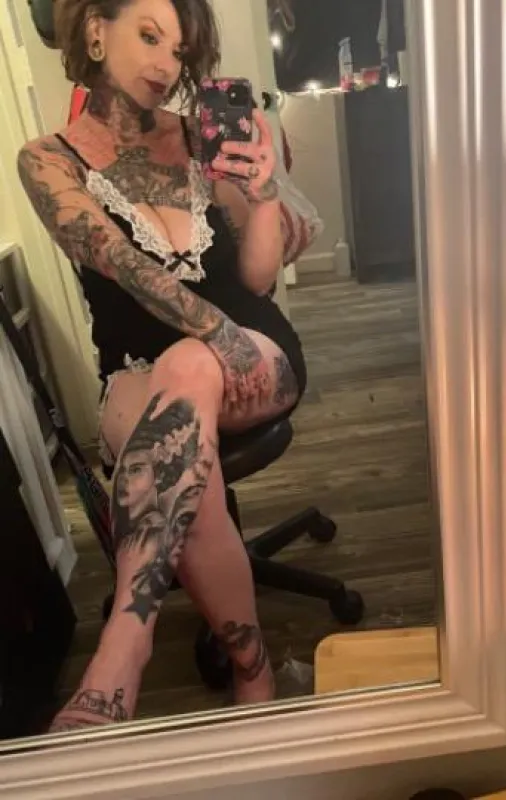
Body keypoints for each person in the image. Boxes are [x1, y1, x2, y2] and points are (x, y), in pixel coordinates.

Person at [18, 0, 308, 733]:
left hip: (254, 352)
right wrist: (213, 333)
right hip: (136, 370)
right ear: (95, 29)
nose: (164, 64)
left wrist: (264, 194)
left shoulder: (205, 138)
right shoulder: (49, 160)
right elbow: (118, 262)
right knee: (185, 445)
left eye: (180, 51)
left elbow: (258, 278)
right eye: (149, 35)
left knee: (190, 365)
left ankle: (125, 646)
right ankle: (254, 668)